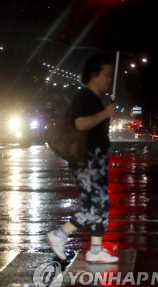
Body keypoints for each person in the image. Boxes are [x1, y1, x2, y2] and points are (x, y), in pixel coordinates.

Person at [46, 54, 118, 263]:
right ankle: (59, 234)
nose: (109, 79)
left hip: (96, 160)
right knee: (94, 206)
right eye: (106, 74)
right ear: (94, 75)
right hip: (86, 161)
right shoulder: (84, 96)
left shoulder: (96, 99)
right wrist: (105, 113)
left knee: (100, 204)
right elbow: (80, 124)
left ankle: (95, 250)